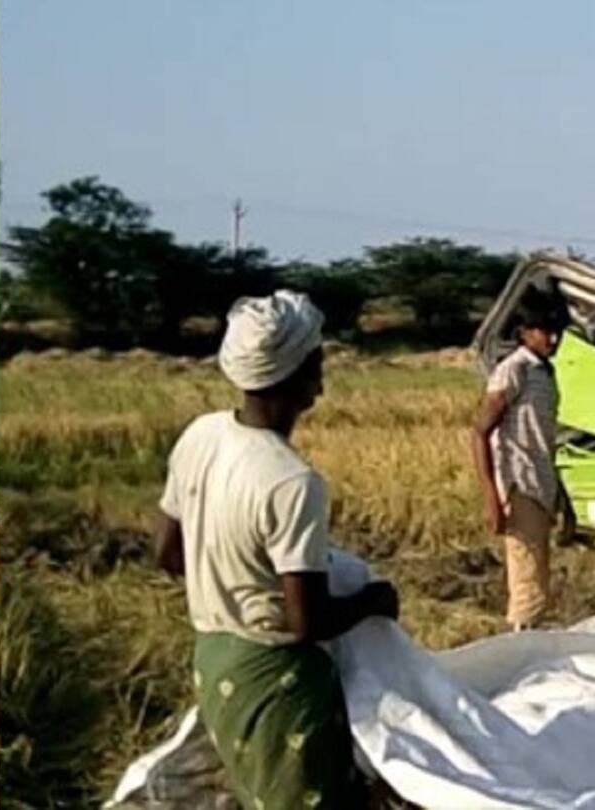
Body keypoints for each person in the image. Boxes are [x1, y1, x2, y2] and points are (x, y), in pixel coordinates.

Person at [155, 290, 399, 809]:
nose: (323, 374)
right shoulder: (292, 482)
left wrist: (230, 577)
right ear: (303, 378)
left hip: (216, 663)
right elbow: (307, 622)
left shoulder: (201, 436)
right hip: (280, 682)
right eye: (318, 361)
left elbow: (169, 555)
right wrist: (374, 600)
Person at [472, 291, 574, 631]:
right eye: (546, 332)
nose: (554, 339)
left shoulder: (545, 373)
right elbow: (479, 433)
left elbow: (542, 440)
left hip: (540, 481)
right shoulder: (512, 371)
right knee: (528, 583)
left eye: (558, 331)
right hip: (520, 485)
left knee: (537, 576)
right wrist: (492, 500)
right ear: (525, 333)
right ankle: (521, 652)